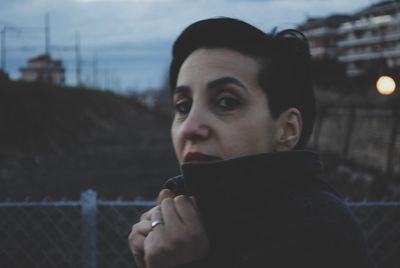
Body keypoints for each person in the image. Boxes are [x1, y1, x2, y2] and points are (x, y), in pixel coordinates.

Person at [128, 17, 373, 268]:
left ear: (286, 130)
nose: (190, 128)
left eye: (226, 102)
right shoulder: (211, 219)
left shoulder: (313, 228)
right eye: (183, 106)